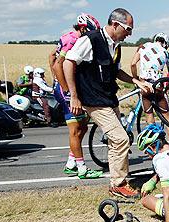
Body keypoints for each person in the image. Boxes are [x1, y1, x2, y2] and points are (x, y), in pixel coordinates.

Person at [64, 8, 153, 199]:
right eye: (128, 29)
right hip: (93, 100)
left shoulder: (116, 45)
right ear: (115, 24)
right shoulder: (91, 40)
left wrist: (135, 80)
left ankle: (118, 181)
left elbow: (116, 71)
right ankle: (118, 184)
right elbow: (68, 62)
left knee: (117, 140)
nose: (130, 33)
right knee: (121, 139)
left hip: (108, 97)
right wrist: (73, 96)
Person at [50, 13, 102, 179]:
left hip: (67, 88)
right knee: (75, 130)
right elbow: (58, 64)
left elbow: (51, 56)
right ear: (82, 28)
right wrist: (66, 90)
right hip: (66, 91)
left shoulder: (71, 37)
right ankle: (81, 169)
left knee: (83, 127)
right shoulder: (73, 39)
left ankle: (71, 164)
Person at [130, 32, 169, 148]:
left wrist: (137, 80)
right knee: (167, 119)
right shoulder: (166, 52)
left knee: (149, 119)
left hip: (145, 85)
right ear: (166, 43)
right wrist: (166, 89)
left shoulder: (142, 46)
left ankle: (153, 147)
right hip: (158, 87)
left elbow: (132, 64)